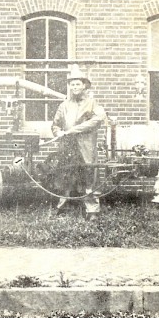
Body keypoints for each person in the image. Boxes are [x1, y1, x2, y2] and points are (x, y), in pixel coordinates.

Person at [51, 66, 106, 221]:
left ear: (84, 86)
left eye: (78, 84)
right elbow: (55, 125)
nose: (75, 87)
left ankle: (92, 210)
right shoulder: (64, 105)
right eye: (72, 85)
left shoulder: (92, 103)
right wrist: (58, 133)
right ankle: (63, 206)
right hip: (68, 146)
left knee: (89, 175)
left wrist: (75, 130)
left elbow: (97, 120)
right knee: (65, 174)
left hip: (86, 146)